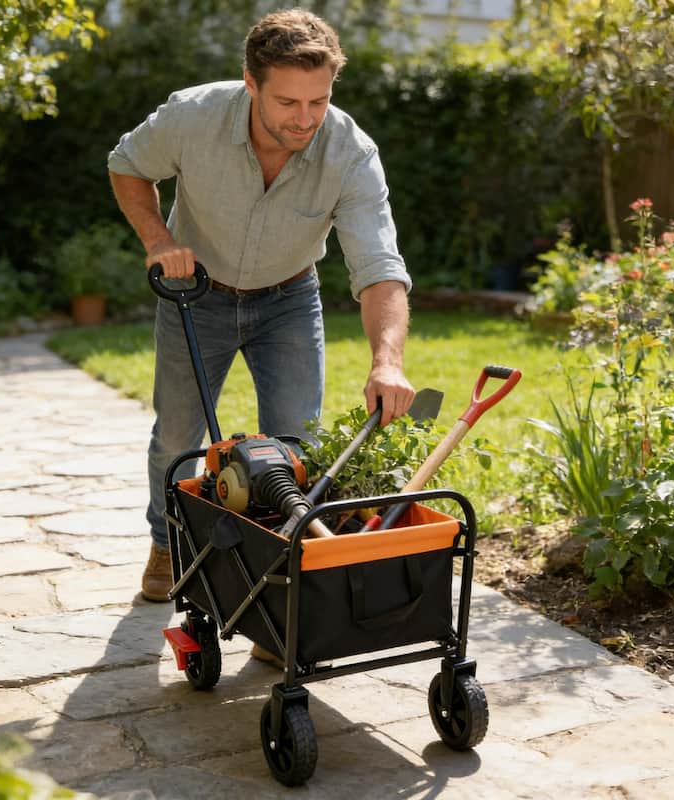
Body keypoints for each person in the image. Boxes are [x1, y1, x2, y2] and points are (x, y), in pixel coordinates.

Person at [107, 9, 415, 617]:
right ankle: (168, 544)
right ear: (251, 83)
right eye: (287, 103)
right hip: (196, 296)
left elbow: (380, 265)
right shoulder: (193, 116)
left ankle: (280, 573)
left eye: (318, 101)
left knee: (296, 444)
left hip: (289, 300)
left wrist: (388, 361)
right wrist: (157, 241)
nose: (304, 119)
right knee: (176, 435)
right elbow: (127, 165)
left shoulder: (350, 153)